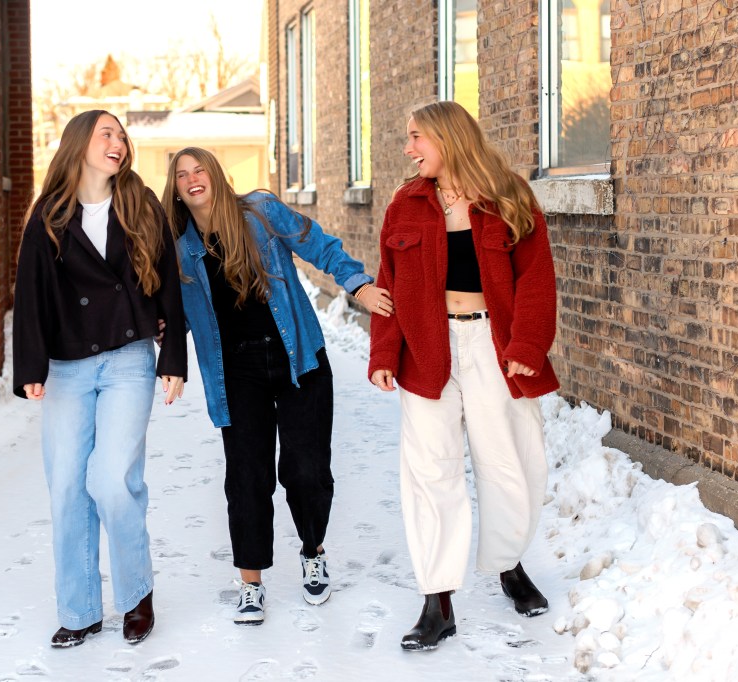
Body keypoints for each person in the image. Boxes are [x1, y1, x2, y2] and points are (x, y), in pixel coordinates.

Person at [162, 147, 393, 625]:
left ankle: (313, 549)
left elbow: (319, 244)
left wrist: (357, 283)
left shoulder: (261, 214)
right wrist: (166, 351)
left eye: (199, 168)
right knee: (247, 478)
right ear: (177, 189)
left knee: (306, 468)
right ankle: (250, 584)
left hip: (297, 357)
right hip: (236, 371)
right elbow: (177, 314)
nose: (192, 179)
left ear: (217, 173)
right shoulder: (179, 246)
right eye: (182, 175)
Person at [368, 101, 559, 651]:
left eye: (416, 137)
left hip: (493, 346)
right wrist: (384, 353)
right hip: (427, 347)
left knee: (511, 461)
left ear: (448, 139)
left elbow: (537, 280)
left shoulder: (509, 197)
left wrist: (526, 344)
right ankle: (438, 599)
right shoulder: (405, 204)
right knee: (430, 471)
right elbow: (388, 285)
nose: (408, 149)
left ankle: (508, 564)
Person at [12, 110, 186, 648]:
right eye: (106, 132)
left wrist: (174, 355)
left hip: (128, 359)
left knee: (112, 480)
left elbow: (170, 283)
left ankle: (136, 596)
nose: (118, 141)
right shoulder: (49, 213)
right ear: (80, 143)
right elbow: (31, 292)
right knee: (66, 486)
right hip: (66, 366)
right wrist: (30, 367)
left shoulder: (139, 203)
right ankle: (80, 609)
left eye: (121, 134)